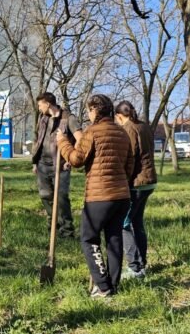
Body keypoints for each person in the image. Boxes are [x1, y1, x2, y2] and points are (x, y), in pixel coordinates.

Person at [57, 94, 133, 297]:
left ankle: (103, 286)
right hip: (122, 196)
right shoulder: (122, 133)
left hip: (99, 197)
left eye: (89, 111)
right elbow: (130, 165)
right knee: (114, 239)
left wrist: (63, 142)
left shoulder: (93, 132)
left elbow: (76, 159)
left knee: (89, 238)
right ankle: (113, 286)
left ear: (94, 110)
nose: (88, 115)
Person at [31, 92, 83, 238]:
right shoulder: (43, 118)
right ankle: (53, 225)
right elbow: (38, 139)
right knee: (45, 195)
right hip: (42, 164)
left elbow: (80, 139)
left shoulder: (68, 119)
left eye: (40, 105)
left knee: (61, 197)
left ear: (47, 104)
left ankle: (67, 230)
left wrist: (71, 158)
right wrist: (35, 162)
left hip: (60, 165)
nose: (39, 108)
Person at [115, 101, 157, 279]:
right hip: (149, 181)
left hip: (137, 183)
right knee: (137, 222)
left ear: (119, 116)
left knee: (124, 224)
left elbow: (129, 156)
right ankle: (142, 264)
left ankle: (135, 267)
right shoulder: (144, 126)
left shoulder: (129, 128)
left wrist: (122, 179)